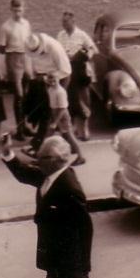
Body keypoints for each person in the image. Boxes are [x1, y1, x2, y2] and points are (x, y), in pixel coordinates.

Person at [0, 135, 114, 278]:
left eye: (41, 157)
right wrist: (8, 153)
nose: (36, 160)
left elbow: (84, 227)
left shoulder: (69, 188)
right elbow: (24, 173)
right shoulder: (49, 175)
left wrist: (81, 264)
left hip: (67, 259)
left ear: (56, 159)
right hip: (59, 257)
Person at [24, 32, 72, 155]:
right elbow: (34, 68)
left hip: (59, 79)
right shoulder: (32, 47)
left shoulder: (54, 48)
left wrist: (46, 79)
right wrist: (36, 77)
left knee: (51, 114)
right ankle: (39, 145)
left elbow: (65, 71)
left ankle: (40, 147)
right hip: (44, 80)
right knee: (44, 113)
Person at [57, 11, 97, 141]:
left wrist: (84, 56)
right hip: (67, 71)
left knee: (84, 99)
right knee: (70, 99)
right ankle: (74, 128)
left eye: (66, 21)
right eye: (63, 22)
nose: (64, 24)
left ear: (73, 22)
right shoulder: (60, 35)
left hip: (80, 71)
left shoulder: (81, 35)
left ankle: (85, 128)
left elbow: (93, 49)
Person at [0, 0, 32, 140]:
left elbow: (30, 42)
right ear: (11, 9)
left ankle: (25, 126)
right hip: (13, 58)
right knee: (19, 95)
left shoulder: (26, 24)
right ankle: (19, 130)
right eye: (15, 10)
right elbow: (1, 49)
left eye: (20, 10)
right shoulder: (6, 26)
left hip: (26, 57)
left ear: (23, 9)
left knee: (27, 93)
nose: (18, 13)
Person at [45, 73, 85, 165]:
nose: (52, 82)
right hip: (54, 113)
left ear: (58, 79)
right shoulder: (50, 89)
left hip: (62, 116)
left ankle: (81, 157)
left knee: (69, 135)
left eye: (54, 80)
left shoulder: (60, 92)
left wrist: (55, 122)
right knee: (52, 135)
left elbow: (62, 109)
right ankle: (46, 156)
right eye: (50, 80)